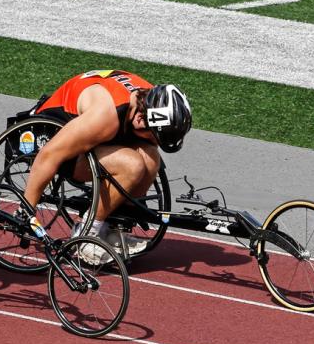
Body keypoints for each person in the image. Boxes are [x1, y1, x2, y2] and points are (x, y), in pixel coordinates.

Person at [19, 70, 192, 261]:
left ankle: (113, 228)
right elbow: (48, 155)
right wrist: (27, 209)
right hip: (55, 138)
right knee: (132, 165)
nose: (156, 141)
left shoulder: (151, 100)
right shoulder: (104, 117)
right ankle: (85, 233)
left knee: (151, 159)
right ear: (141, 119)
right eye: (154, 135)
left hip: (95, 139)